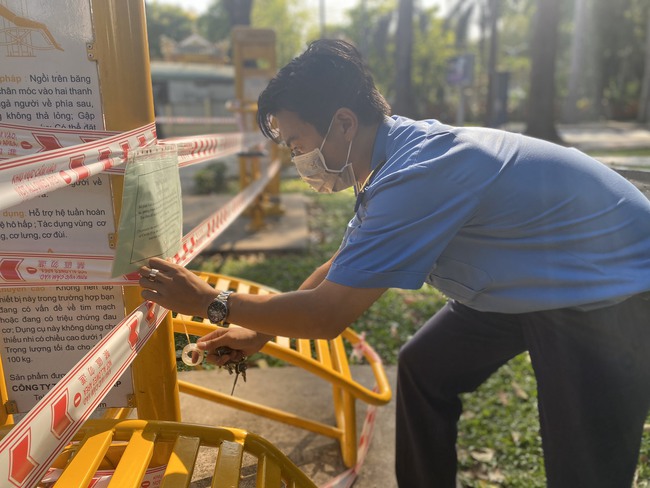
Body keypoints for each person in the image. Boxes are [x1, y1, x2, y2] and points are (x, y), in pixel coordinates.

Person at [139, 39, 650, 487]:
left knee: (584, 466)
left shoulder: (419, 172)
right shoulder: (388, 156)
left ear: (342, 123)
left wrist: (212, 302)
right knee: (426, 367)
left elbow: (326, 315)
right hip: (529, 275)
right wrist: (258, 333)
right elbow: (349, 260)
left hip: (606, 287)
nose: (297, 159)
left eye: (297, 143)